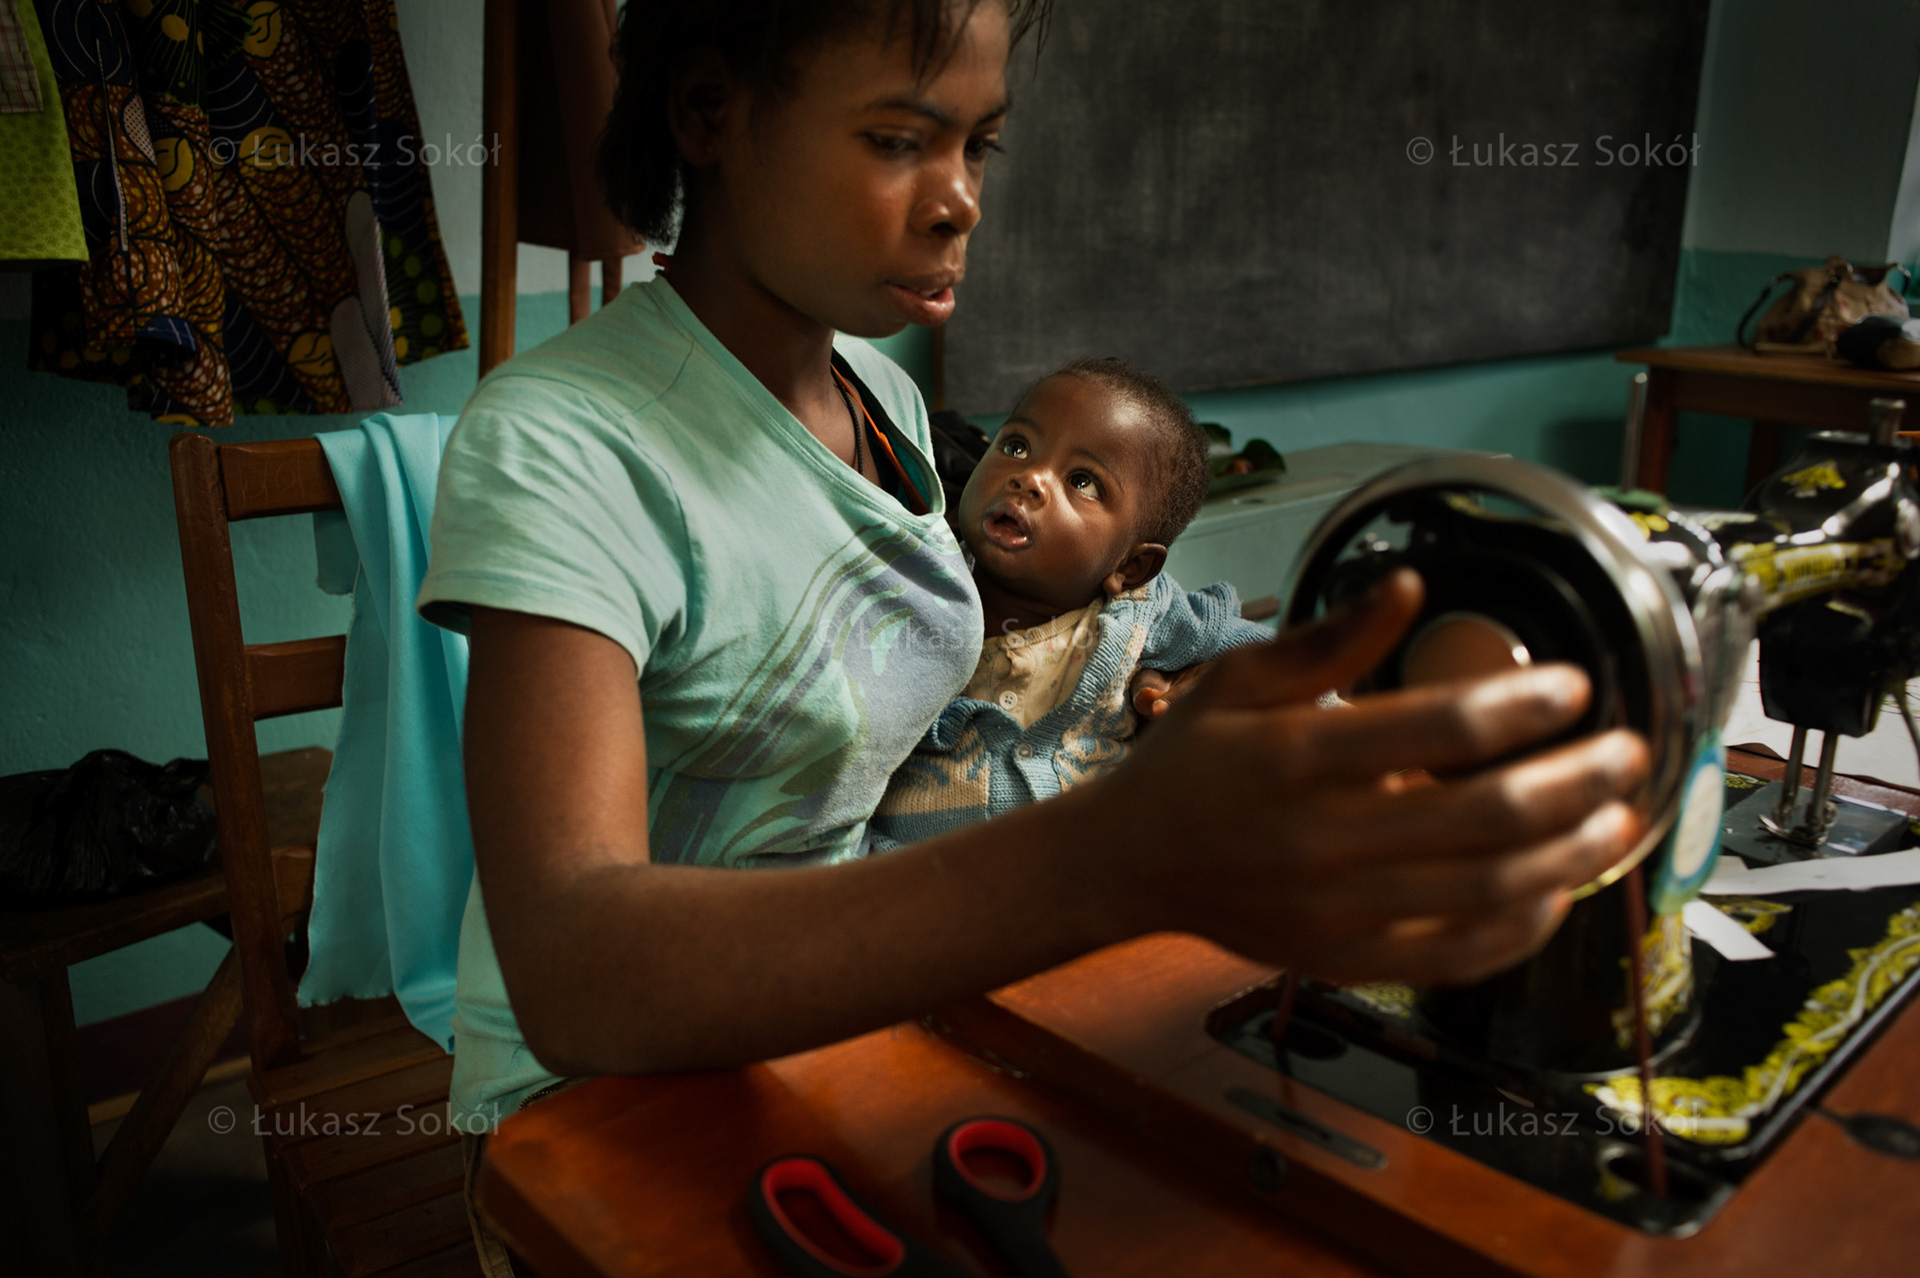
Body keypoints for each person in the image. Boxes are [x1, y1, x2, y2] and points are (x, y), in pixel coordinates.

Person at [419, 2, 1649, 1264]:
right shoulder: (566, 443)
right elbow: (574, 976)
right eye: (900, 140)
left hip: (848, 1018)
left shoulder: (882, 397)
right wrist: (1110, 856)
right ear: (710, 114)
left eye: (980, 148)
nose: (960, 203)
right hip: (602, 1108)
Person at [872, 357, 1293, 848]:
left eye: (1083, 482)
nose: (1030, 478)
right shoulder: (909, 593)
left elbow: (1292, 667)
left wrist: (1218, 684)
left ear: (1130, 567)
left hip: (1105, 885)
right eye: (1016, 446)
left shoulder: (1140, 615)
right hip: (926, 891)